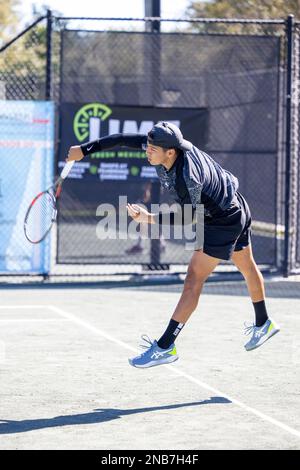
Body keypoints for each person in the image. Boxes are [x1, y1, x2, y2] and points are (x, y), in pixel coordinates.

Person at [67, 121, 280, 369]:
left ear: (170, 152)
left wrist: (148, 217)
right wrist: (85, 149)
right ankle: (263, 322)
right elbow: (122, 139)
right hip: (235, 203)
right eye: (148, 146)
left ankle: (166, 346)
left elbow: (188, 217)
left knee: (193, 280)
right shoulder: (168, 148)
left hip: (222, 219)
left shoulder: (186, 177)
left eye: (152, 149)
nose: (147, 151)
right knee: (245, 264)